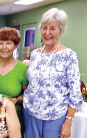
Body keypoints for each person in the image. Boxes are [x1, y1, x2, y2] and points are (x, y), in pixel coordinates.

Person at [23, 8, 83, 138]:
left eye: (52, 28)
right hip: (30, 113)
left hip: (55, 117)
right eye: (44, 28)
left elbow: (75, 93)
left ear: (61, 31)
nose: (47, 33)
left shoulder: (69, 55)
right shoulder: (35, 54)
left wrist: (68, 121)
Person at [0, 27, 28, 137]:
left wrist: (16, 99)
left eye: (8, 43)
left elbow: (28, 94)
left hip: (13, 116)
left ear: (15, 46)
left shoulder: (23, 69)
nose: (4, 47)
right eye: (1, 43)